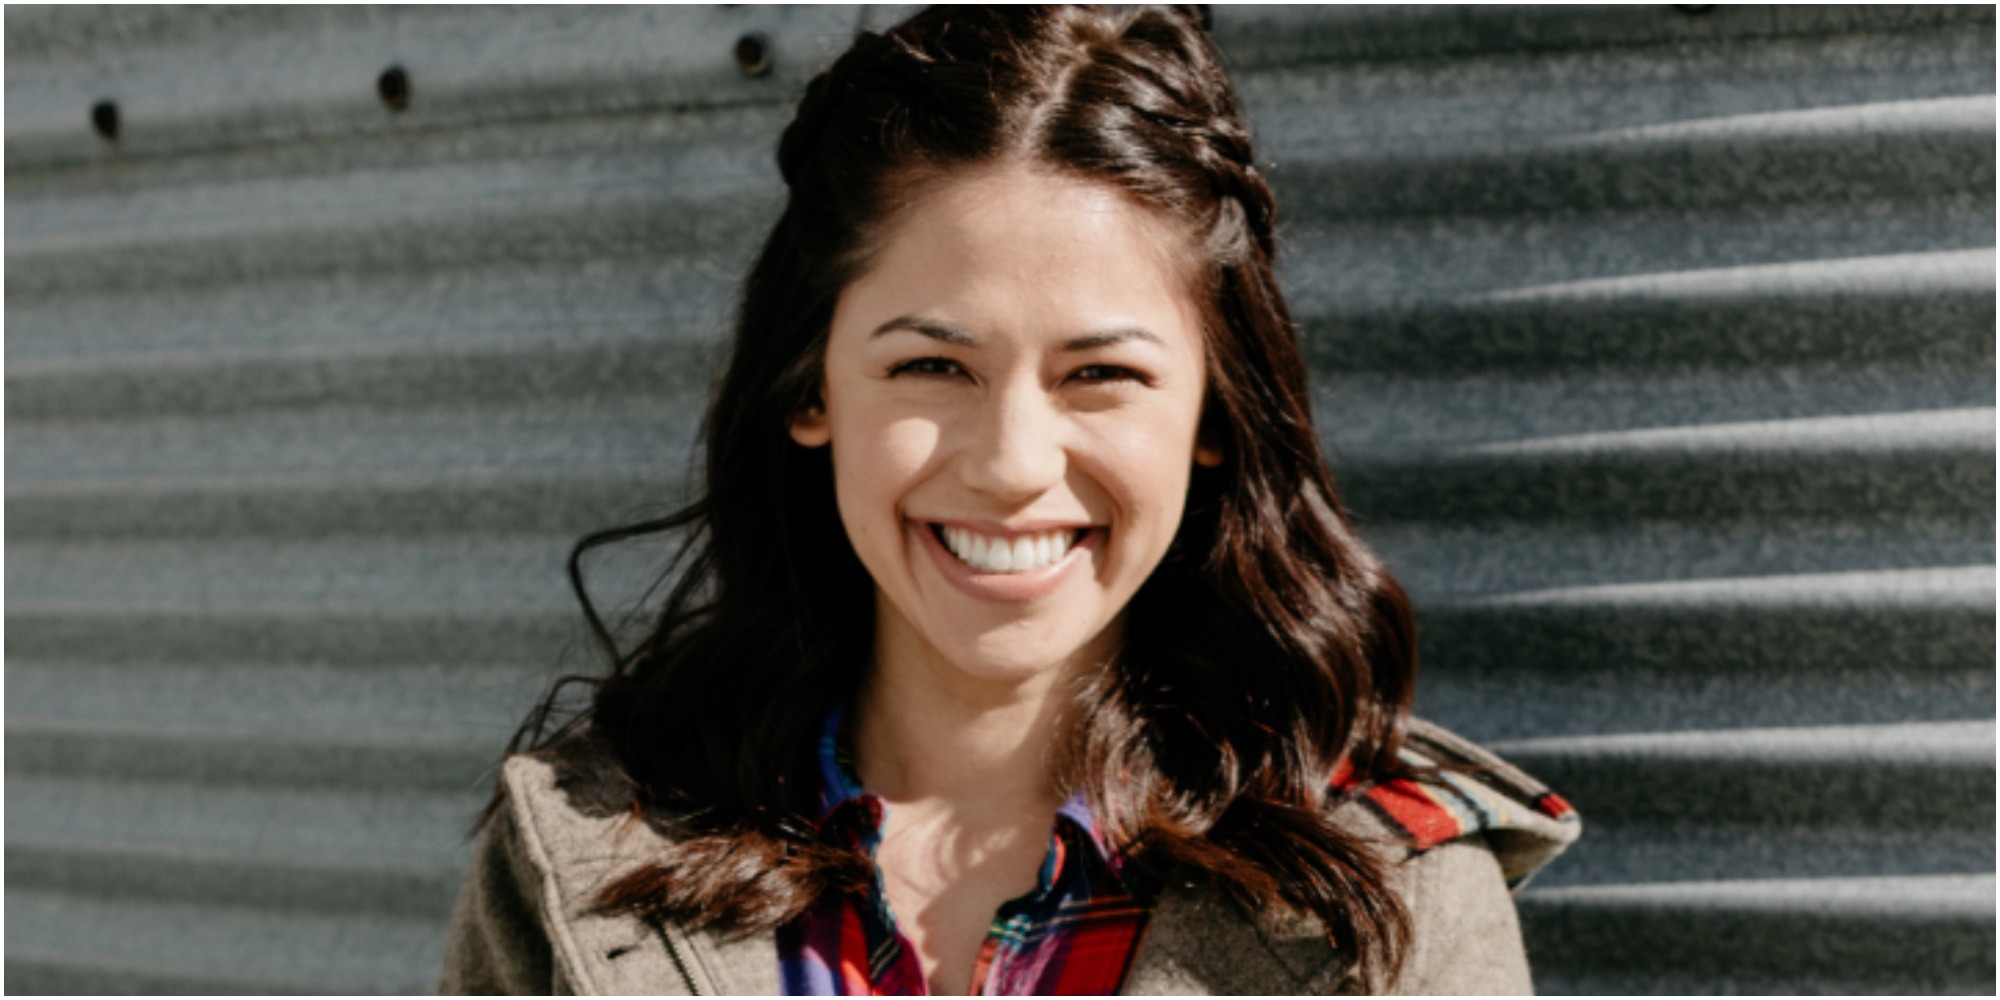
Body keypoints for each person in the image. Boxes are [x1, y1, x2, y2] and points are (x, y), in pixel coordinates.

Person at [440, 6, 1579, 995]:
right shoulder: (585, 846)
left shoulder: (1392, 888)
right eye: (932, 367)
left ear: (1214, 420)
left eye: (1101, 376)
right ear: (809, 385)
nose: (1011, 464)